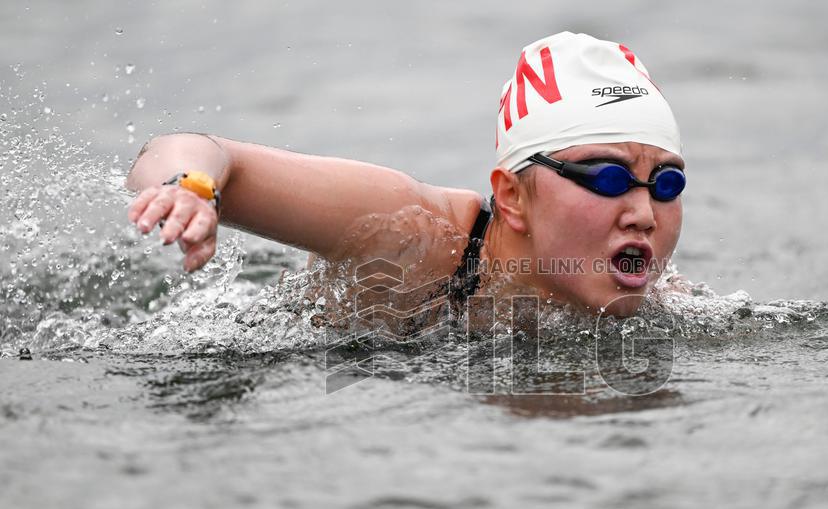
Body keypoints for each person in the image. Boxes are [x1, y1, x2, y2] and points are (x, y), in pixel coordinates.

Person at [125, 32, 686, 319]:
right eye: (609, 178)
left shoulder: (660, 302)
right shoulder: (408, 234)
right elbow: (181, 148)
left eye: (666, 184)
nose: (644, 214)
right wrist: (189, 188)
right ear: (512, 196)